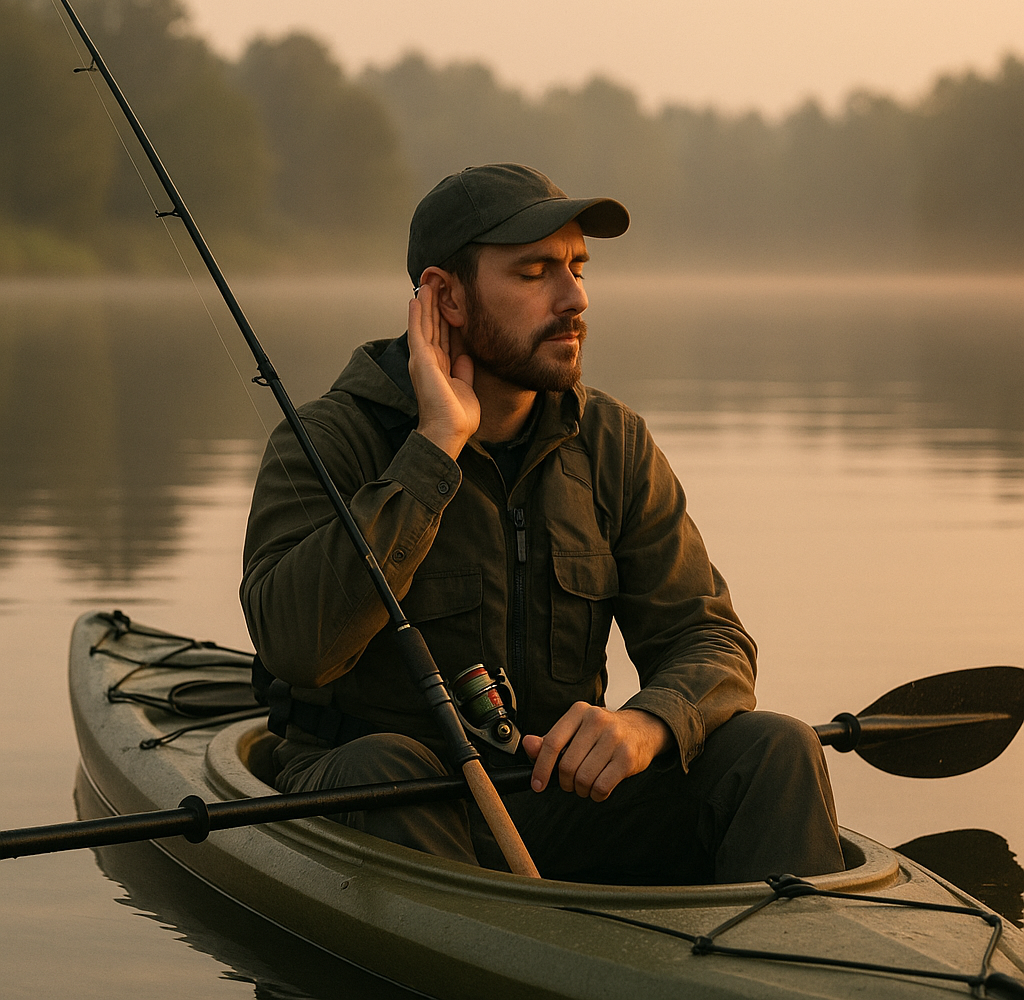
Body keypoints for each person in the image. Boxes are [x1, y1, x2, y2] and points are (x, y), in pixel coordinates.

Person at [240, 163, 844, 884]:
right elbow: (296, 647)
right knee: (386, 762)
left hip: (551, 803)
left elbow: (708, 639)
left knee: (775, 746)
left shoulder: (612, 443)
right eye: (535, 273)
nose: (575, 297)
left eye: (578, 267)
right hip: (379, 803)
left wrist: (647, 722)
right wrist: (433, 450)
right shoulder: (326, 442)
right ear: (446, 297)